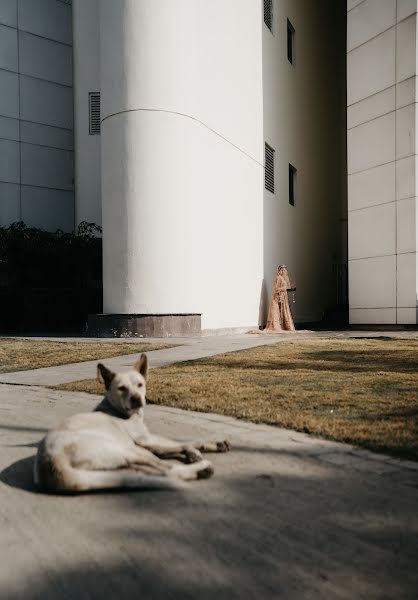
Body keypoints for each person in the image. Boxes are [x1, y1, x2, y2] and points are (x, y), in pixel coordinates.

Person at [265, 265, 295, 331]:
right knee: (281, 310)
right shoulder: (279, 278)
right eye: (282, 270)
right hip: (280, 297)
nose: (283, 271)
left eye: (284, 270)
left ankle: (286, 326)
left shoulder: (283, 278)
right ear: (279, 271)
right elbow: (276, 289)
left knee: (284, 310)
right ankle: (280, 326)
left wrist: (289, 289)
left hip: (284, 296)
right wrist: (284, 289)